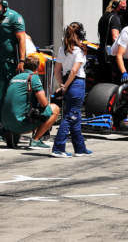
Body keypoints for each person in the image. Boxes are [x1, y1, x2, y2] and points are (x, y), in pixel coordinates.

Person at [1, 56, 60, 150]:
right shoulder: (33, 78)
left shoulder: (14, 78)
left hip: (5, 122)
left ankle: (11, 131)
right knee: (54, 109)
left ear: (24, 66)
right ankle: (36, 140)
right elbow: (44, 103)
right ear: (37, 67)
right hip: (20, 122)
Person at [51, 22, 90, 157]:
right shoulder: (79, 50)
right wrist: (66, 86)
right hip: (77, 83)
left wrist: (62, 84)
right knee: (70, 116)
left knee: (75, 116)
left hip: (67, 83)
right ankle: (58, 148)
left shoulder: (63, 49)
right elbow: (74, 71)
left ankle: (80, 148)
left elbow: (57, 70)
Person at [0, 0, 27, 110]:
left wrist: (22, 60)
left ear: (3, 4)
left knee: (4, 93)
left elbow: (22, 39)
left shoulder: (14, 17)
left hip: (7, 64)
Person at [97, 0, 127, 79]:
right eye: (123, 7)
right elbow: (115, 37)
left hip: (102, 52)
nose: (125, 8)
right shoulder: (115, 18)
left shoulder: (104, 16)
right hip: (110, 55)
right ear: (115, 5)